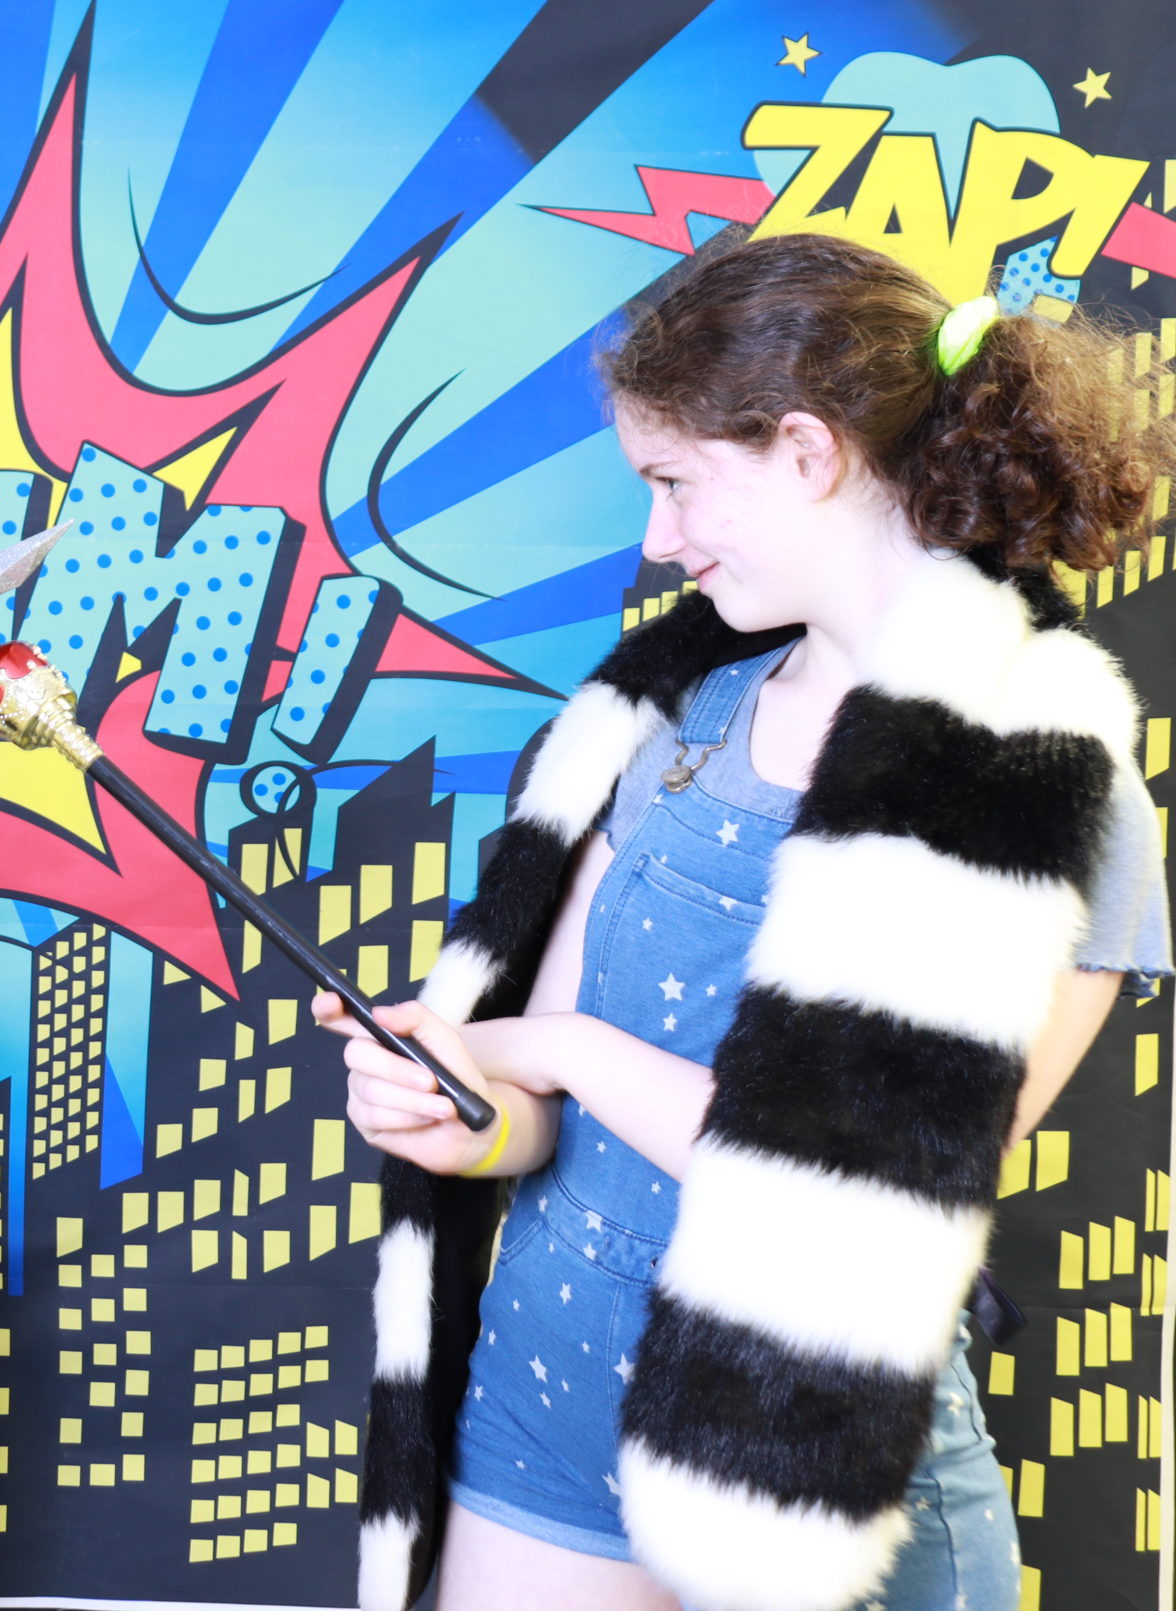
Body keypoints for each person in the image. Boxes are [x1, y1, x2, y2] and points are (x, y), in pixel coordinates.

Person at [322, 234, 1173, 1611]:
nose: (657, 540)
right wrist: (459, 1108)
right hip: (544, 1408)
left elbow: (862, 1189)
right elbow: (541, 1123)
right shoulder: (677, 719)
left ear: (805, 450)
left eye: (672, 482)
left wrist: (556, 1047)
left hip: (815, 1464)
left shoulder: (1055, 792)